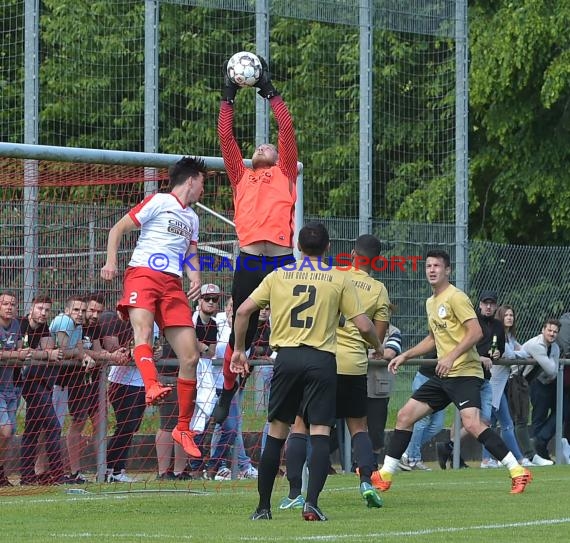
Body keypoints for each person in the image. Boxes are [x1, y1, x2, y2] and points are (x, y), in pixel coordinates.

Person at [230, 222, 381, 521]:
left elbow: (243, 310)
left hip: (286, 358)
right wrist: (376, 345)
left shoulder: (278, 274)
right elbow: (364, 325)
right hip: (322, 360)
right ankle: (311, 503)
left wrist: (238, 349)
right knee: (320, 432)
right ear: (328, 249)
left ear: (298, 247)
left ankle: (263, 508)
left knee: (277, 432)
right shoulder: (338, 278)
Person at [377, 249, 532, 495]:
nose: (431, 270)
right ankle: (385, 474)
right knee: (405, 416)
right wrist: (406, 355)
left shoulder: (456, 297)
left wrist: (450, 356)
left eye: (437, 266)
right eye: (428, 265)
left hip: (465, 372)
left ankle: (517, 470)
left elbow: (476, 332)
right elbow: (432, 338)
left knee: (472, 423)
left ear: (447, 270)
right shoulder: (431, 302)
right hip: (444, 374)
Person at [101, 156, 207, 458]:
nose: (204, 189)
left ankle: (183, 427)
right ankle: (150, 385)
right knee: (143, 332)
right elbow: (117, 229)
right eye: (202, 181)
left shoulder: (193, 218)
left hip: (172, 285)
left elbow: (190, 253)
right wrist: (111, 261)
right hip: (143, 275)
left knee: (190, 355)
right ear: (191, 180)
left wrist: (195, 275)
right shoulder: (159, 201)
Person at [213, 55, 298, 425]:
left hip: (281, 261)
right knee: (239, 330)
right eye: (259, 146)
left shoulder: (286, 172)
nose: (264, 146)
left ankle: (293, 392)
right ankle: (228, 391)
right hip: (250, 260)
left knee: (294, 327)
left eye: (270, 146)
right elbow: (225, 137)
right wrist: (228, 97)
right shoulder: (240, 175)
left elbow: (287, 130)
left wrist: (269, 93)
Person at [280, 234, 390, 511]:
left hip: (322, 359)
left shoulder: (335, 275)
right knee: (358, 426)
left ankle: (295, 492)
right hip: (353, 364)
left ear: (352, 254)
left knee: (301, 425)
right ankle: (366, 481)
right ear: (377, 261)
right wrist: (377, 348)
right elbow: (375, 335)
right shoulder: (378, 290)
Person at [437, 290, 505, 469]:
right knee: (463, 419)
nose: (488, 307)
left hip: (485, 378)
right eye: (485, 303)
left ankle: (449, 447)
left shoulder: (498, 326)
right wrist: (480, 357)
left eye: (491, 303)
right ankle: (455, 455)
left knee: (483, 420)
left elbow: (501, 348)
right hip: (467, 375)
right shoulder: (471, 321)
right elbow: (462, 344)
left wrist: (497, 353)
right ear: (480, 305)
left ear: (496, 305)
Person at [19, 295, 67, 485]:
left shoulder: (44, 327)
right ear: (31, 308)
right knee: (53, 427)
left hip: (40, 382)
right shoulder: (20, 324)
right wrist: (47, 354)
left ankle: (27, 476)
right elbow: (27, 353)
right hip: (25, 381)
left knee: (33, 428)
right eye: (40, 308)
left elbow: (50, 349)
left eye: (47, 310)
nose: (44, 313)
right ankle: (57, 474)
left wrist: (46, 353)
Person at [49, 294, 94, 483]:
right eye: (76, 310)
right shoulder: (64, 321)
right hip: (50, 380)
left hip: (66, 381)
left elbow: (78, 351)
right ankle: (41, 472)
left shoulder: (79, 325)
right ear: (67, 310)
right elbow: (62, 350)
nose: (80, 314)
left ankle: (69, 472)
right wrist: (80, 354)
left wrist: (85, 356)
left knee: (63, 424)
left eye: (83, 311)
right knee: (50, 426)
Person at [480, 304, 531, 468]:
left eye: (512, 315)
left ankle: (489, 459)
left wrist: (514, 353)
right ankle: (509, 459)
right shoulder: (497, 333)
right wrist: (514, 353)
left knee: (496, 424)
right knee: (499, 424)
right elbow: (508, 353)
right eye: (506, 315)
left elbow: (524, 353)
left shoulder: (510, 337)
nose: (510, 317)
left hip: (501, 386)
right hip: (493, 384)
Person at [99, 308, 144, 483]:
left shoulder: (154, 324)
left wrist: (156, 353)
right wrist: (131, 353)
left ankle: (117, 469)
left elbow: (157, 348)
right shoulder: (123, 322)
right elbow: (119, 350)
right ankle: (108, 468)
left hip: (142, 381)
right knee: (126, 425)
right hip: (122, 381)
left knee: (132, 427)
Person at [0, 291, 30, 486]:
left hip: (11, 387)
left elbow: (21, 350)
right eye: (5, 304)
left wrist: (22, 353)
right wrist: (17, 355)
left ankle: (1, 472)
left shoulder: (17, 325)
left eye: (12, 304)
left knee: (8, 435)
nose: (9, 307)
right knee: (6, 431)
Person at [522, 319, 560, 463]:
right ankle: (535, 453)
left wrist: (549, 366)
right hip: (528, 381)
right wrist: (550, 366)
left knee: (560, 412)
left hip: (546, 382)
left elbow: (554, 372)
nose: (552, 334)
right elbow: (551, 369)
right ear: (543, 330)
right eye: (549, 330)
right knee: (536, 416)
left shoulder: (554, 347)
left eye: (555, 332)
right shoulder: (536, 345)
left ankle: (539, 444)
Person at [367, 324, 402, 468]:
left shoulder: (393, 331)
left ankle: (372, 462)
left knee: (376, 429)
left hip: (378, 388)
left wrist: (361, 355)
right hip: (352, 383)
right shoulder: (356, 323)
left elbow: (390, 353)